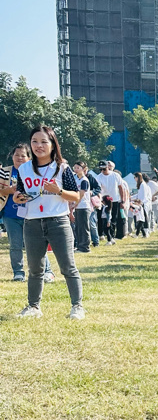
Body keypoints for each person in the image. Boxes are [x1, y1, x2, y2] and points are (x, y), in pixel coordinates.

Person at [13, 125, 85, 320]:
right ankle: (33, 307)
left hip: (58, 221)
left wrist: (58, 191)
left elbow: (75, 196)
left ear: (53, 144)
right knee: (35, 269)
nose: (39, 145)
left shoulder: (61, 168)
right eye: (34, 141)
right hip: (32, 223)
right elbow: (20, 192)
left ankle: (77, 306)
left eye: (44, 142)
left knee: (68, 267)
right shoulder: (24, 168)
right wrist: (18, 198)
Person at [0, 144, 52, 282]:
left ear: (29, 157)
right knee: (15, 245)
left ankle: (47, 271)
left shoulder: (34, 171)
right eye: (16, 155)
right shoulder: (4, 172)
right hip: (10, 215)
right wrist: (9, 190)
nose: (19, 158)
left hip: (32, 214)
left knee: (37, 244)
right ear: (12, 156)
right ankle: (18, 272)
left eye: (23, 155)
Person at [96, 160, 122, 244]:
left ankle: (111, 236)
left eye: (104, 169)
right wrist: (100, 200)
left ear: (108, 167)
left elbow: (120, 187)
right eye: (101, 169)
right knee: (104, 219)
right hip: (104, 201)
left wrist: (122, 200)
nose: (102, 171)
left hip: (114, 199)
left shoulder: (115, 175)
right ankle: (107, 236)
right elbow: (98, 189)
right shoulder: (99, 177)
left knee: (113, 219)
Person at [72, 162, 92, 252]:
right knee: (78, 227)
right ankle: (79, 245)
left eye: (78, 168)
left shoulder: (84, 180)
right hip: (77, 207)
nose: (76, 170)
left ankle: (85, 247)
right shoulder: (76, 179)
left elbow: (82, 193)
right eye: (75, 168)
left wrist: (76, 203)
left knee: (84, 228)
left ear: (83, 169)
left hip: (83, 206)